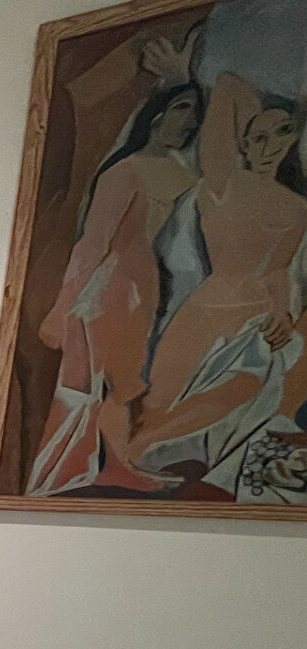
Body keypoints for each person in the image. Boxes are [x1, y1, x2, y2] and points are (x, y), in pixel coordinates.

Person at [130, 72, 307, 491]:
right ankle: (144, 473)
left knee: (242, 393)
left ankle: (203, 478)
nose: (270, 146)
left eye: (283, 133)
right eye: (258, 137)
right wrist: (285, 105)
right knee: (158, 405)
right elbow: (228, 86)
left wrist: (283, 313)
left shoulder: (298, 207)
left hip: (255, 322)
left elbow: (278, 271)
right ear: (242, 143)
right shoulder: (222, 183)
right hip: (204, 312)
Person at [28, 76, 203, 495]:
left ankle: (116, 465)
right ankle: (60, 472)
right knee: (85, 383)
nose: (189, 121)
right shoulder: (124, 172)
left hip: (146, 290)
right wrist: (61, 310)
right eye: (181, 108)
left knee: (124, 383)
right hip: (106, 291)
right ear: (156, 114)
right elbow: (93, 244)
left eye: (196, 114)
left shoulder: (184, 175)